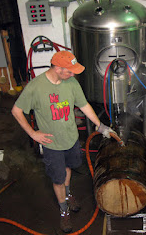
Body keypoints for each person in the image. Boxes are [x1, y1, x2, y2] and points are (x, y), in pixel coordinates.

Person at [11, 51, 114, 233]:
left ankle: (68, 195)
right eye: (70, 71)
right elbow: (16, 111)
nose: (73, 75)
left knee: (68, 168)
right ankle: (63, 210)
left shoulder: (71, 82)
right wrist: (33, 133)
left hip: (71, 139)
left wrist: (100, 126)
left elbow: (84, 105)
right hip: (52, 145)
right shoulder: (36, 87)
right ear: (58, 68)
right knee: (58, 180)